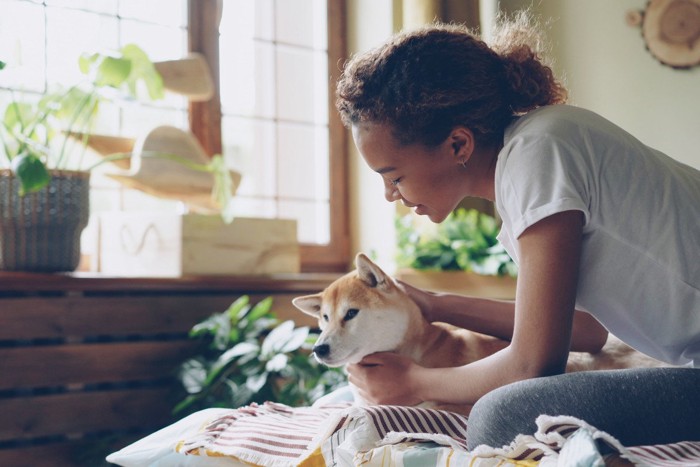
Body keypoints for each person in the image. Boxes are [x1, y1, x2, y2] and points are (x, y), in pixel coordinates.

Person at [335, 13, 700, 450]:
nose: (390, 195)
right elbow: (587, 332)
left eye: (393, 176)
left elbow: (532, 363)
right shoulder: (534, 151)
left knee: (499, 415)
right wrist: (436, 304)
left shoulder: (537, 156)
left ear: (457, 144)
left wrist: (414, 382)